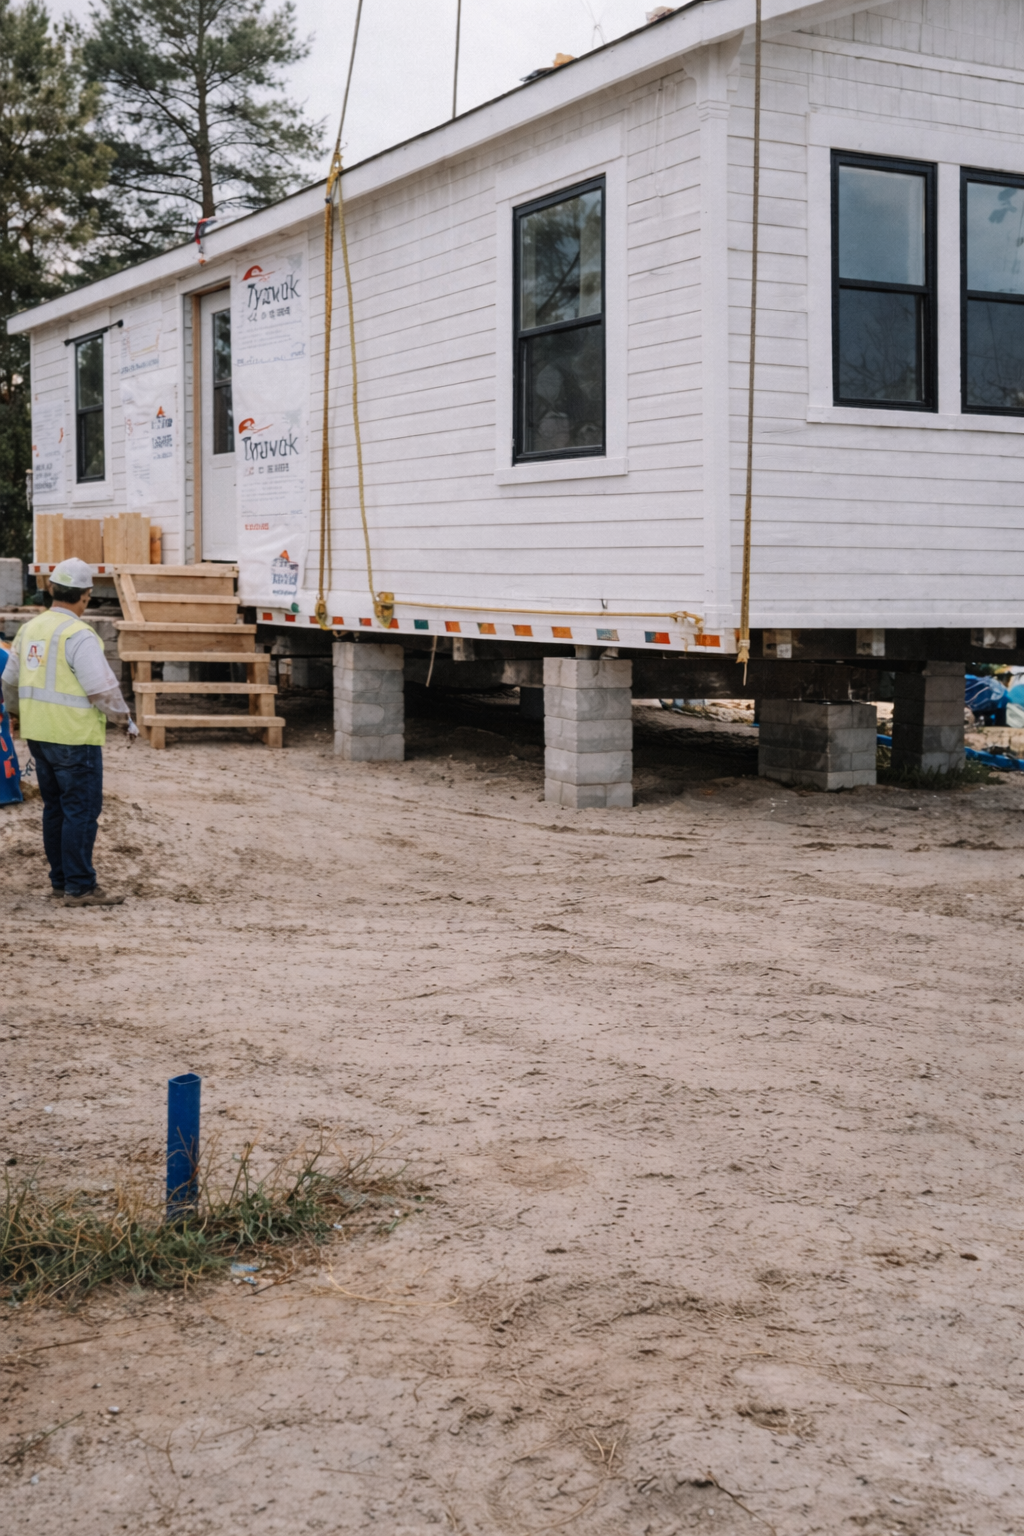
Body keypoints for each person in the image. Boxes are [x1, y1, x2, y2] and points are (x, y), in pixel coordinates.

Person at [2, 558, 138, 906]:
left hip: (39, 737)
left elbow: (10, 686)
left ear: (50, 589)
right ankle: (80, 886)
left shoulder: (29, 630)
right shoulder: (79, 634)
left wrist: (24, 716)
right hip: (75, 740)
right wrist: (125, 720)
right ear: (87, 595)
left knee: (55, 809)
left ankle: (61, 881)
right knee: (80, 810)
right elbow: (101, 690)